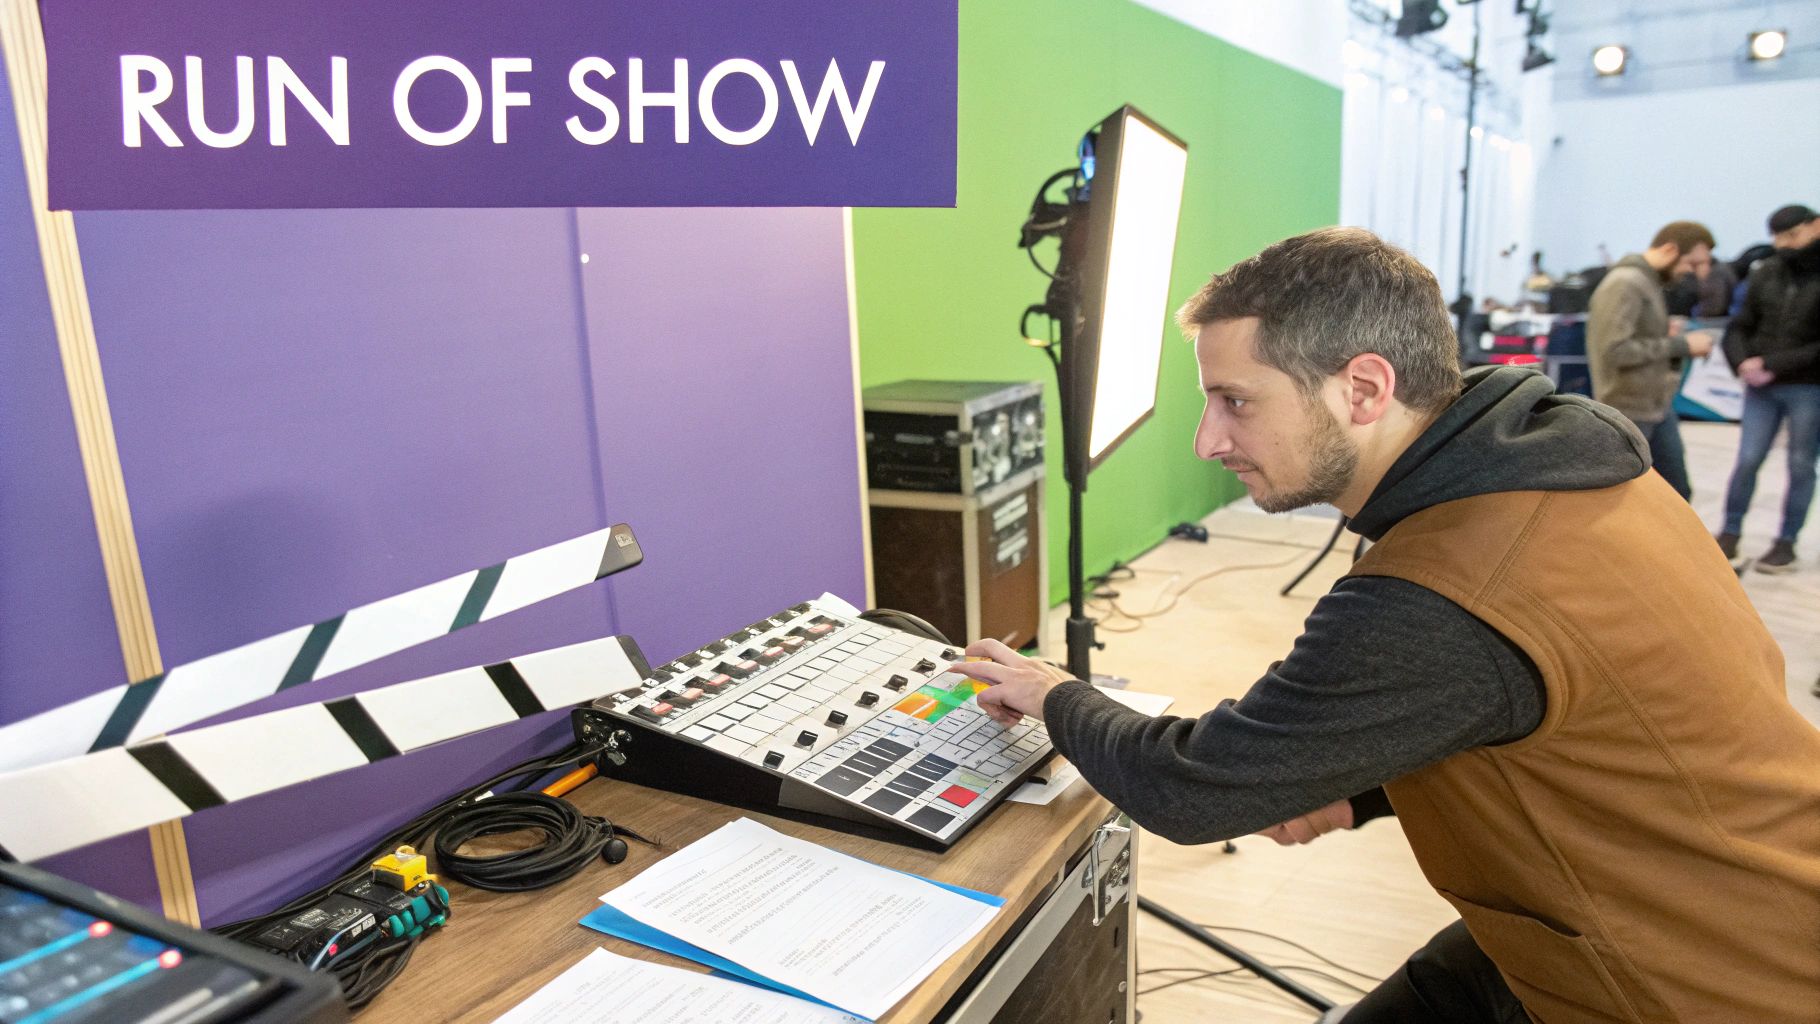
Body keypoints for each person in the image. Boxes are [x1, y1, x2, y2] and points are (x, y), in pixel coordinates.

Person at [955, 228, 1820, 1023]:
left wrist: (1058, 696)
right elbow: (1561, 696)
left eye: (1236, 401)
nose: (1206, 441)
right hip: (1684, 901)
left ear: (1365, 388)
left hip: (1685, 976)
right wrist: (1360, 787)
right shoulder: (1564, 460)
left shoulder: (1448, 582)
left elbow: (1194, 788)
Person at [1716, 203, 1820, 572]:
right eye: (1777, 237)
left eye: (1792, 235)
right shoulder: (1767, 272)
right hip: (1759, 385)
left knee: (1801, 464)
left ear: (1815, 227)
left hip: (1807, 387)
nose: (1784, 244)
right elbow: (1740, 324)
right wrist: (1742, 361)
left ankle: (1787, 541)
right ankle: (1729, 533)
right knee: (1747, 460)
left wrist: (1771, 365)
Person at [1585, 221, 1719, 499]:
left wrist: (1662, 332)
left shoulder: (1644, 282)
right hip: (1630, 408)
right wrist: (1682, 345)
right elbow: (1614, 351)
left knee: (1675, 496)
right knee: (1629, 498)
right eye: (1690, 264)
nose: (1690, 273)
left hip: (1654, 406)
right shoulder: (1626, 283)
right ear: (1670, 249)